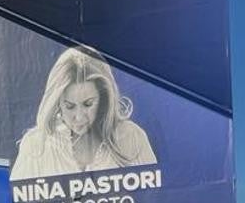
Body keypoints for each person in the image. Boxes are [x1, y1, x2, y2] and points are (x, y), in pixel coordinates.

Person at [10, 45, 157, 180]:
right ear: (57, 102)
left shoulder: (131, 137)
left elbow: (156, 201)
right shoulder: (36, 145)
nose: (79, 117)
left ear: (103, 98)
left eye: (88, 104)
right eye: (69, 106)